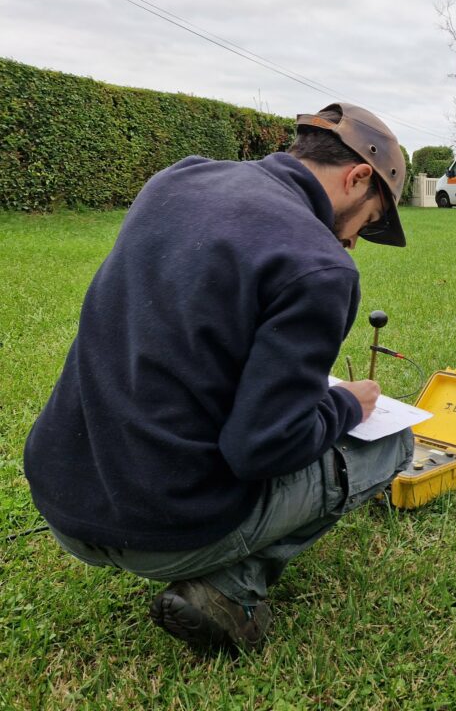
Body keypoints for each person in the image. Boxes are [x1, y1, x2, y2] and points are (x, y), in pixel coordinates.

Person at [22, 103, 414, 653]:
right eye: (366, 224)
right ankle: (230, 588)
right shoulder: (320, 263)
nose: (351, 242)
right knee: (395, 442)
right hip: (161, 529)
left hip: (61, 494)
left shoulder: (177, 178)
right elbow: (264, 447)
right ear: (357, 177)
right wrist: (347, 404)